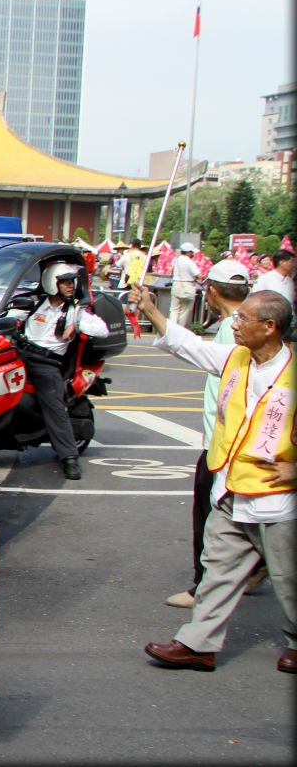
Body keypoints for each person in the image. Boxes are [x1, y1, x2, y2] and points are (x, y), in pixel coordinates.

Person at [133, 286, 296, 675]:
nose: (234, 325)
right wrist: (151, 311)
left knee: (289, 580)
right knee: (218, 569)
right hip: (231, 491)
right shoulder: (237, 358)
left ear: (270, 327)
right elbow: (187, 345)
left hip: (278, 500)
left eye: (243, 319)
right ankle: (197, 644)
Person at [162, 261, 268, 608]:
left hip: (223, 446)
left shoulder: (233, 333)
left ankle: (203, 587)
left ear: (212, 291)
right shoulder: (249, 330)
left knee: (211, 519)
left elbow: (193, 349)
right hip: (242, 446)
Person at [13, 262, 110, 480]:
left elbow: (102, 330)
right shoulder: (34, 305)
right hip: (19, 354)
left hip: (46, 363)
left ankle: (69, 457)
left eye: (71, 282)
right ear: (52, 283)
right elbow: (2, 316)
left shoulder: (75, 311)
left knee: (54, 405)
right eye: (65, 282)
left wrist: (76, 324)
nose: (70, 286)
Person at [169, 241, 202, 328]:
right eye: (192, 252)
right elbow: (198, 275)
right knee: (185, 310)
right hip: (187, 285)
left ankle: (172, 327)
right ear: (189, 252)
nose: (193, 254)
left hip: (176, 284)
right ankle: (180, 328)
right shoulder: (189, 262)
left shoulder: (176, 260)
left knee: (174, 309)